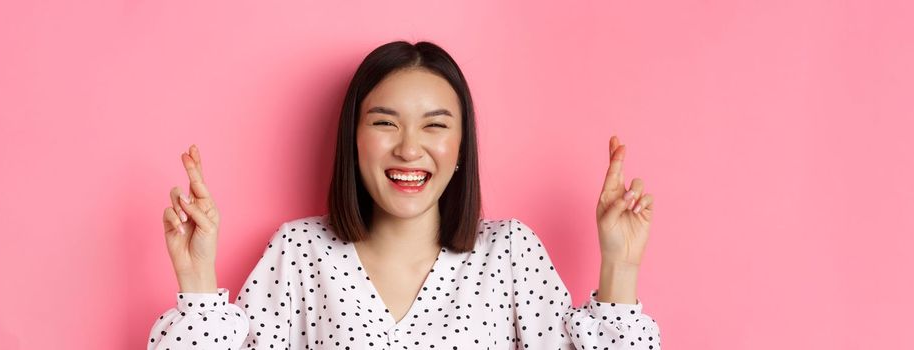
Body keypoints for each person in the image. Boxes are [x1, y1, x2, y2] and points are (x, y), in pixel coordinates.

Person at [149, 41, 660, 349]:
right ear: (354, 139)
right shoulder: (300, 252)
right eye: (385, 123)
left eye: (435, 125)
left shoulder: (509, 254)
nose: (410, 148)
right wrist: (195, 276)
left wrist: (621, 266)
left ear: (461, 147)